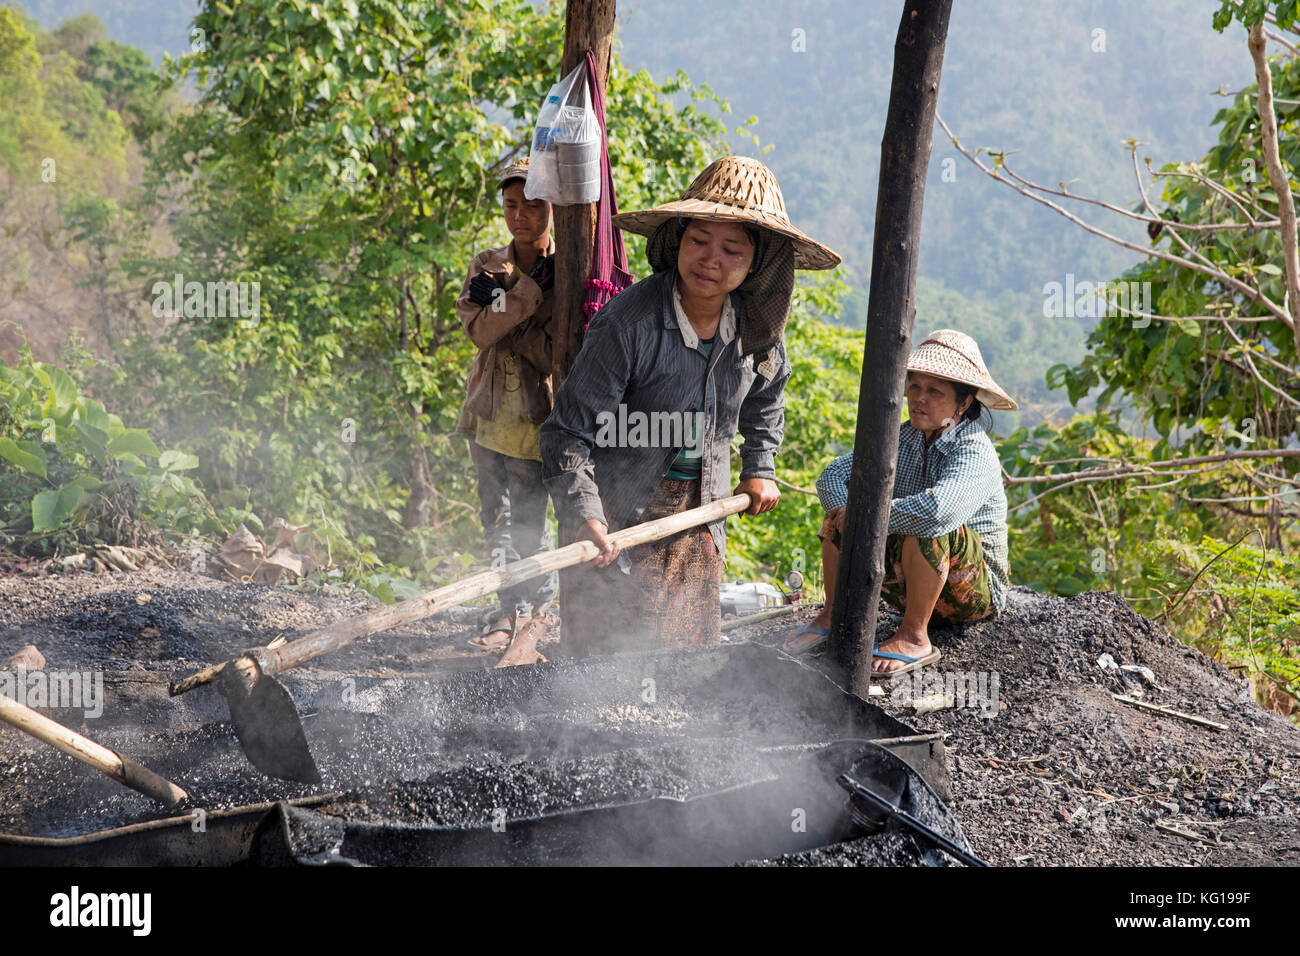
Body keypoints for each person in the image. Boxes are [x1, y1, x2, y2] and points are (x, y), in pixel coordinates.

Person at [542, 155, 840, 656]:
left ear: (756, 263)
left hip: (702, 510)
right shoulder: (628, 324)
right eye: (699, 240)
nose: (710, 259)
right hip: (620, 514)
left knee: (683, 664)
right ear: (676, 239)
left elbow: (767, 399)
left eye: (731, 249)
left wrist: (760, 466)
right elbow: (566, 434)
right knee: (603, 665)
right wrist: (584, 513)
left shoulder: (757, 330)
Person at [783, 329, 1017, 677]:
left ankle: (914, 636)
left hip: (969, 593)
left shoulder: (974, 449)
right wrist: (852, 515)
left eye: (935, 391)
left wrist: (867, 515)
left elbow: (941, 511)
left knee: (930, 523)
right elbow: (832, 477)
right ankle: (833, 614)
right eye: (915, 387)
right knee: (840, 515)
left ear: (963, 403)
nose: (919, 399)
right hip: (905, 583)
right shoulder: (901, 436)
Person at [455, 159, 559, 647]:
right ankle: (503, 611)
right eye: (511, 205)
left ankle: (537, 609)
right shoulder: (487, 263)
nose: (520, 216)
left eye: (533, 206)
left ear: (553, 208)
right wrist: (528, 303)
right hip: (488, 413)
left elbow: (559, 350)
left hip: (535, 420)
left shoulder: (567, 271)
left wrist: (512, 299)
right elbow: (479, 331)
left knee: (529, 519)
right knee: (492, 515)